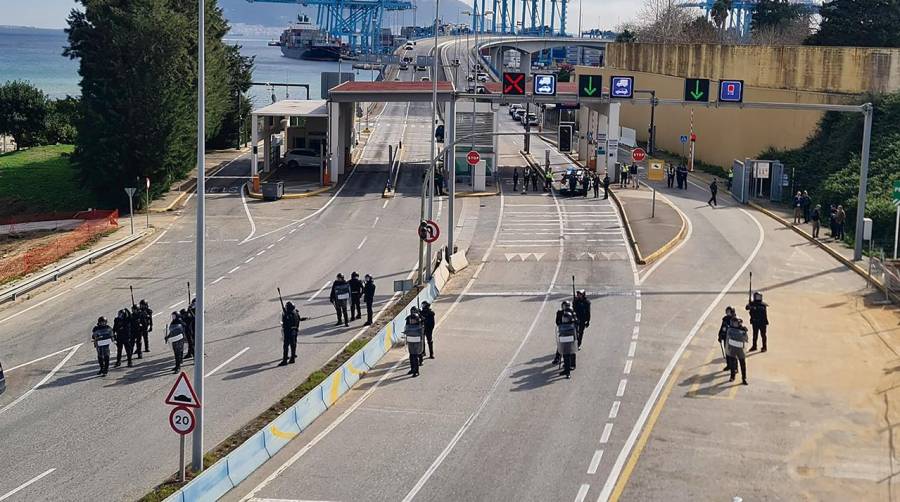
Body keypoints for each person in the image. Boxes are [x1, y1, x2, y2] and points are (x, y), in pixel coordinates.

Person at [554, 301, 578, 378]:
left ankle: (568, 371)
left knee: (569, 355)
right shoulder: (564, 325)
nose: (564, 320)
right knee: (566, 357)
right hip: (565, 342)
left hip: (568, 342)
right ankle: (567, 371)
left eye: (565, 319)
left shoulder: (571, 325)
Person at [280, 302, 307, 366]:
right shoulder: (296, 312)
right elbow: (299, 319)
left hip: (288, 332)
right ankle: (293, 357)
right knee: (293, 344)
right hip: (295, 331)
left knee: (286, 346)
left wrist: (285, 315)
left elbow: (285, 324)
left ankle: (285, 360)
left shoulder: (287, 315)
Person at [725, 316, 749, 385]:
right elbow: (728, 338)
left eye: (737, 322)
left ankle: (744, 378)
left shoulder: (742, 330)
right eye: (734, 322)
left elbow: (746, 339)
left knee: (743, 365)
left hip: (740, 350)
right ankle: (732, 376)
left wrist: (744, 333)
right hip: (732, 349)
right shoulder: (730, 330)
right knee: (732, 364)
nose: (736, 324)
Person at [404, 307, 424, 377]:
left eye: (413, 320)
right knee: (411, 356)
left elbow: (421, 333)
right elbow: (406, 330)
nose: (411, 321)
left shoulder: (419, 325)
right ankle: (412, 369)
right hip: (410, 341)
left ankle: (416, 371)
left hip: (416, 342)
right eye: (411, 320)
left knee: (415, 357)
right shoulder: (409, 324)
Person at [718, 306, 736, 372]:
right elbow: (722, 328)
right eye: (727, 311)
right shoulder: (725, 319)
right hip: (726, 338)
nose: (728, 313)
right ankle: (728, 365)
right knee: (727, 353)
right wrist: (720, 336)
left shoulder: (734, 320)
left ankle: (735, 368)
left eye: (729, 311)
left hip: (732, 339)